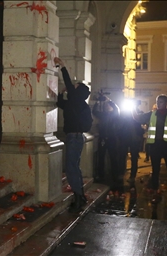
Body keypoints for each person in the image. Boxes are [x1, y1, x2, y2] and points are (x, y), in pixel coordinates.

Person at [55, 57, 92, 213]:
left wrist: (62, 67)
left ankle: (78, 198)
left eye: (74, 87)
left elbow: (69, 84)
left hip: (74, 138)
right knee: (74, 167)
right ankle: (80, 195)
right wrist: (60, 94)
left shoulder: (77, 100)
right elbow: (60, 103)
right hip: (76, 137)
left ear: (78, 92)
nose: (71, 87)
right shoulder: (76, 103)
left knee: (71, 168)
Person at [132, 95, 167, 203]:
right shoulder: (151, 114)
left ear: (166, 103)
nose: (158, 104)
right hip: (155, 145)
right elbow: (138, 118)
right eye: (158, 102)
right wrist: (133, 108)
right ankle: (155, 191)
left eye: (161, 102)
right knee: (155, 170)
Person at [92, 93, 121, 184]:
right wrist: (97, 102)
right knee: (101, 157)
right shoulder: (103, 115)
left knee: (113, 157)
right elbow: (94, 112)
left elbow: (116, 109)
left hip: (112, 138)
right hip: (103, 138)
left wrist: (109, 100)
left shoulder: (114, 115)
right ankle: (101, 175)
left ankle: (115, 175)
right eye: (107, 106)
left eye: (109, 106)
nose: (108, 107)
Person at [117, 99, 144, 186]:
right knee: (122, 156)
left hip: (134, 139)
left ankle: (132, 176)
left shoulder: (137, 115)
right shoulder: (124, 115)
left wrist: (139, 136)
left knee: (134, 158)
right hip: (125, 138)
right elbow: (120, 126)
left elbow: (140, 127)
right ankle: (121, 173)